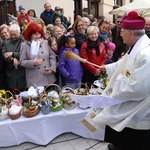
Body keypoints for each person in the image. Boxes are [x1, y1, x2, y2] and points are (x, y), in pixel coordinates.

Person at [84, 10, 150, 150]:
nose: (119, 33)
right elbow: (124, 63)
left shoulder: (145, 54)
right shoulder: (136, 46)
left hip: (137, 106)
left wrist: (118, 79)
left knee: (132, 137)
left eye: (122, 31)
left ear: (131, 34)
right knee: (122, 134)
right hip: (128, 101)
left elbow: (137, 89)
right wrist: (106, 68)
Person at [20, 22, 56, 87]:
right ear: (30, 34)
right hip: (34, 79)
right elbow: (22, 62)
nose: (37, 36)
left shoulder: (45, 42)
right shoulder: (24, 45)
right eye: (35, 34)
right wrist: (33, 62)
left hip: (48, 77)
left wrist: (52, 68)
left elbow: (52, 56)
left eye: (39, 34)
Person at [2, 24, 26, 91]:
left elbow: (25, 54)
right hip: (10, 74)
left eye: (15, 34)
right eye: (11, 34)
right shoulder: (6, 42)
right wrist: (12, 59)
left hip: (22, 73)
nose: (13, 36)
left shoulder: (24, 41)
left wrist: (13, 54)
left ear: (19, 32)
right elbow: (4, 55)